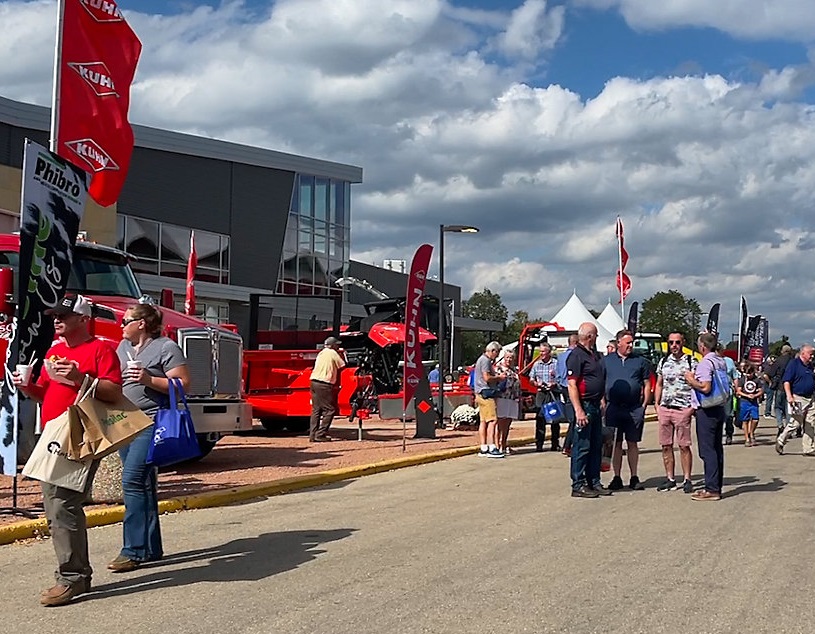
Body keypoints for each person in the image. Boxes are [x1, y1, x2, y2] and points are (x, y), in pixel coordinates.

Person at [13, 294, 122, 606]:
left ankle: (73, 577)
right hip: (52, 434)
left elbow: (114, 392)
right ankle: (77, 575)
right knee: (54, 506)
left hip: (80, 434)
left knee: (62, 504)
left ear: (82, 319)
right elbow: (45, 393)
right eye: (55, 315)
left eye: (64, 315)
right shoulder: (56, 351)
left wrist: (80, 378)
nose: (56, 320)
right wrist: (28, 387)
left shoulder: (101, 349)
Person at [108, 303, 190, 573]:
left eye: (126, 321)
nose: (121, 325)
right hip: (125, 422)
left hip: (151, 421)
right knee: (143, 484)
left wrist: (148, 380)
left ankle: (133, 550)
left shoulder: (166, 347)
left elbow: (183, 384)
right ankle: (151, 547)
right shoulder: (123, 349)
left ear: (141, 323)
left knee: (132, 479)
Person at [566, 323, 611, 498]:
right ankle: (578, 484)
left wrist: (600, 398)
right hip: (584, 405)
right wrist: (578, 410)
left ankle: (594, 481)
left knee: (595, 445)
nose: (597, 339)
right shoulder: (576, 356)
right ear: (590, 336)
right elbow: (572, 384)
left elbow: (596, 378)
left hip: (594, 404)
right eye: (596, 335)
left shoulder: (594, 355)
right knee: (582, 446)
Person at [604, 329, 652, 491]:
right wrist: (602, 402)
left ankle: (634, 476)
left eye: (632, 343)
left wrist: (644, 405)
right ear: (619, 343)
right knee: (616, 443)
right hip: (613, 408)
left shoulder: (640, 361)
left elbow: (647, 384)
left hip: (634, 409)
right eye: (628, 343)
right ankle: (616, 477)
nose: (631, 345)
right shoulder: (607, 361)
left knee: (632, 443)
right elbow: (600, 382)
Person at [684, 332, 727, 501]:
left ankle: (711, 489)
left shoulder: (705, 363)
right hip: (719, 407)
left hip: (707, 409)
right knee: (717, 449)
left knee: (707, 450)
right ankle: (716, 485)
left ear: (702, 346)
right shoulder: (720, 361)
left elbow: (705, 387)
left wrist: (690, 379)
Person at [654, 332, 696, 494]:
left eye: (677, 342)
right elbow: (659, 383)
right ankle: (670, 478)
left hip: (683, 409)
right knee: (666, 445)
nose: (674, 346)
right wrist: (657, 405)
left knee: (684, 446)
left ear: (683, 343)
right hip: (666, 408)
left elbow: (698, 386)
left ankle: (687, 478)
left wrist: (692, 408)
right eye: (671, 342)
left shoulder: (691, 362)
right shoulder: (664, 361)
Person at [776, 344, 815, 456]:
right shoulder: (794, 364)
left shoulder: (810, 366)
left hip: (811, 397)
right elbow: (786, 381)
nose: (812, 356)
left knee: (811, 423)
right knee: (796, 423)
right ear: (803, 353)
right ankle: (781, 440)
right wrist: (789, 396)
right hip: (798, 397)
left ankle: (808, 448)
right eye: (810, 354)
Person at [309, 336, 346, 442]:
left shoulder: (321, 353)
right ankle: (320, 434)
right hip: (324, 383)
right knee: (329, 410)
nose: (338, 346)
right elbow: (342, 365)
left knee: (316, 410)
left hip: (314, 381)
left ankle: (312, 435)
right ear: (332, 345)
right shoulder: (332, 353)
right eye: (337, 345)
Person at [473, 341, 506, 458]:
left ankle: (483, 447)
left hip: (479, 393)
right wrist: (499, 377)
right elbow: (487, 377)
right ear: (492, 351)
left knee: (483, 421)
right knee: (492, 420)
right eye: (496, 353)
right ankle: (492, 446)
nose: (496, 356)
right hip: (486, 393)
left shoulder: (481, 360)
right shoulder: (486, 361)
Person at [529, 343, 560, 452]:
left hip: (552, 393)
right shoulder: (537, 365)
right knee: (540, 419)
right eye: (540, 351)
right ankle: (539, 444)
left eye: (543, 352)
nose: (541, 354)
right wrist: (536, 383)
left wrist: (554, 383)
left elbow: (560, 378)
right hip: (541, 394)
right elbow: (531, 379)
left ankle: (555, 444)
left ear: (549, 352)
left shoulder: (556, 364)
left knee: (554, 419)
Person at [557, 334, 579, 457]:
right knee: (575, 418)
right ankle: (568, 445)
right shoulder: (575, 356)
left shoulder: (560, 357)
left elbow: (558, 374)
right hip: (572, 387)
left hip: (564, 388)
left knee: (572, 417)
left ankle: (568, 445)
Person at [495, 349, 520, 455]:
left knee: (507, 423)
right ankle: (497, 445)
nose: (509, 359)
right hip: (501, 398)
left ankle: (504, 444)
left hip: (512, 398)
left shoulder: (514, 370)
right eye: (507, 357)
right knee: (499, 423)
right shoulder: (498, 368)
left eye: (511, 357)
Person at [767, 345, 794, 435]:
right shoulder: (793, 361)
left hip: (780, 387)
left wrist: (771, 382)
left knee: (778, 407)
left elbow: (769, 373)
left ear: (782, 351)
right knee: (788, 409)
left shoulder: (778, 360)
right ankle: (788, 427)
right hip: (791, 388)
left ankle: (780, 424)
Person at [716, 344, 739, 445]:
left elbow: (735, 376)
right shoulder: (710, 361)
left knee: (728, 415)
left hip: (727, 392)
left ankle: (729, 434)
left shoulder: (729, 361)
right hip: (715, 394)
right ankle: (717, 436)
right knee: (716, 417)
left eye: (718, 350)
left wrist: (737, 388)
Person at [736, 362, 763, 447]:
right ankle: (747, 438)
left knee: (755, 419)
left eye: (750, 373)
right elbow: (739, 391)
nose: (748, 375)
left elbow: (761, 390)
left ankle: (751, 432)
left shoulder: (757, 380)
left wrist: (755, 395)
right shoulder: (742, 380)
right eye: (747, 373)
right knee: (745, 420)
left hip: (753, 402)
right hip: (744, 401)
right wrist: (747, 395)